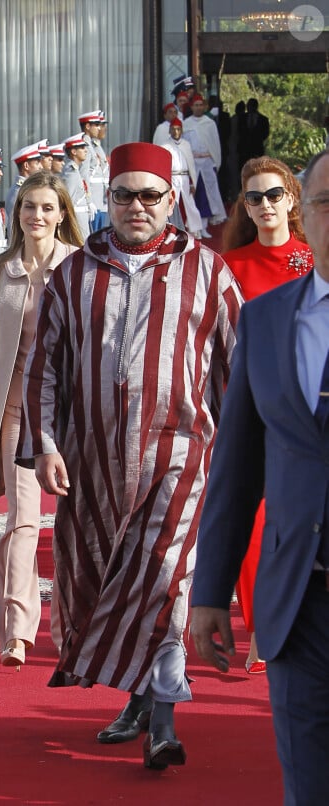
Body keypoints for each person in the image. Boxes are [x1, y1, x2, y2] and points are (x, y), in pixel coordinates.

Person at [18, 142, 242, 769]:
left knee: (163, 582)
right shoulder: (74, 273)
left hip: (181, 459)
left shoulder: (207, 270)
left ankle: (164, 723)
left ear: (171, 200)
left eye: (151, 195)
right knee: (109, 581)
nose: (137, 206)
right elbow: (44, 370)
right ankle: (142, 700)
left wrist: (246, 458)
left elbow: (240, 370)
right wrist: (46, 445)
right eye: (124, 195)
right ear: (106, 200)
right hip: (91, 467)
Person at [190, 149, 329, 806]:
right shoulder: (268, 320)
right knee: (307, 782)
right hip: (301, 602)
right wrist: (210, 590)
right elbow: (237, 467)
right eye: (328, 203)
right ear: (312, 214)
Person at [221, 156, 313, 674]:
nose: (264, 206)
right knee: (252, 523)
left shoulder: (315, 259)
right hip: (251, 407)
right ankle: (260, 627)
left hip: (309, 410)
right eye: (253, 198)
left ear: (292, 198)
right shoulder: (231, 268)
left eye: (273, 195)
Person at [0, 171, 84, 668]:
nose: (37, 216)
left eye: (47, 207)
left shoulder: (82, 269)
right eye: (29, 206)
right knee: (21, 522)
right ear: (16, 213)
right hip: (13, 410)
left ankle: (69, 628)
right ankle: (16, 633)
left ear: (62, 213)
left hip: (70, 414)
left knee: (72, 523)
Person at [183, 93, 228, 238]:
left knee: (207, 194)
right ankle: (195, 227)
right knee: (195, 194)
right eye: (196, 105)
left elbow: (215, 144)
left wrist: (215, 162)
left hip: (207, 162)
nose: (198, 107)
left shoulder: (210, 123)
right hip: (193, 163)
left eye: (201, 105)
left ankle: (205, 226)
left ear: (204, 106)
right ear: (191, 107)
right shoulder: (186, 124)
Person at [161, 118, 202, 239]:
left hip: (184, 177)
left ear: (182, 130)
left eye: (178, 129)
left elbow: (191, 165)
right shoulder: (165, 146)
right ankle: (170, 228)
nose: (176, 132)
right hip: (172, 177)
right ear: (169, 130)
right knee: (172, 203)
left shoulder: (186, 144)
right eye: (173, 129)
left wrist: (193, 183)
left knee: (190, 204)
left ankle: (195, 229)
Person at [79, 110, 108, 230]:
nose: (99, 128)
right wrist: (88, 200)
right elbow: (84, 176)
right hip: (94, 202)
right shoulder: (85, 146)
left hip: (101, 201)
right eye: (96, 125)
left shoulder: (94, 144)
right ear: (87, 126)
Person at [5, 144, 43, 234]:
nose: (41, 167)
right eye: (37, 163)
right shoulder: (18, 191)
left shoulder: (27, 188)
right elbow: (14, 226)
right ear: (26, 166)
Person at [62, 133, 93, 241]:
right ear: (74, 152)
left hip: (81, 219)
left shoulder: (75, 170)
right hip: (77, 220)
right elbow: (68, 199)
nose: (86, 151)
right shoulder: (71, 172)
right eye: (82, 148)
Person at [238, 98, 269, 165]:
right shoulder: (242, 118)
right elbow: (239, 131)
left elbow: (265, 134)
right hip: (244, 150)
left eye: (251, 105)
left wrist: (256, 138)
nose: (248, 107)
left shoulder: (263, 119)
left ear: (256, 106)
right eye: (248, 105)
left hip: (257, 149)